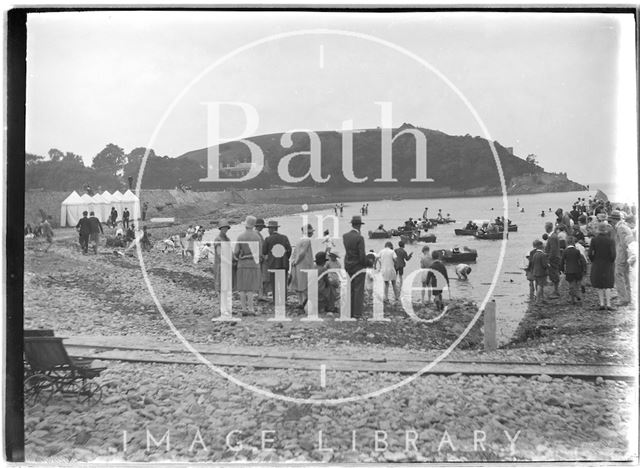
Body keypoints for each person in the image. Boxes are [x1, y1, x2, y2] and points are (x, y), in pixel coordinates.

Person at [234, 216, 262, 316]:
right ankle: (251, 308)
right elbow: (259, 254)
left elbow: (236, 252)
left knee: (242, 288)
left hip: (242, 265)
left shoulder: (240, 236)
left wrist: (242, 256)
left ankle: (243, 308)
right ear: (254, 225)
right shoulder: (257, 237)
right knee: (250, 288)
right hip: (253, 265)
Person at [343, 215, 367, 319]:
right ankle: (357, 313)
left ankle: (350, 311)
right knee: (358, 289)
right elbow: (362, 256)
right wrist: (368, 263)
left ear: (352, 224)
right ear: (359, 226)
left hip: (348, 265)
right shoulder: (360, 238)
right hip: (358, 266)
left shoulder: (345, 236)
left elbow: (349, 252)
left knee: (351, 288)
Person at [610, 210, 636, 307]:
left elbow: (623, 244)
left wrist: (623, 257)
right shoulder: (625, 226)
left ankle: (623, 298)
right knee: (625, 276)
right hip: (624, 255)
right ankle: (627, 297)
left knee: (619, 276)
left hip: (621, 256)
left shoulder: (620, 228)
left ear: (614, 220)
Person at [588, 222, 617, 310]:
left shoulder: (594, 240)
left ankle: (601, 304)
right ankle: (608, 304)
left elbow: (590, 253)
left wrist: (593, 260)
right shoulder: (611, 240)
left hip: (597, 263)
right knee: (608, 284)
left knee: (599, 284)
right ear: (606, 230)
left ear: (598, 230)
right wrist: (611, 261)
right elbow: (613, 254)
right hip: (608, 263)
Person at [263, 220, 292, 303]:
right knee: (283, 283)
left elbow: (264, 251)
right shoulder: (284, 237)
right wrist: (286, 258)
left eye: (269, 229)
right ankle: (284, 300)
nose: (268, 230)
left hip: (273, 264)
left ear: (272, 229)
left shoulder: (268, 239)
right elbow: (289, 250)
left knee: (274, 283)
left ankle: (276, 300)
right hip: (284, 263)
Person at [290, 223, 315, 311]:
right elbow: (302, 253)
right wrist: (297, 261)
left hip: (297, 264)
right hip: (304, 264)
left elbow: (295, 252)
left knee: (298, 284)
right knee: (305, 284)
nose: (312, 233)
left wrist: (293, 261)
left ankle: (301, 302)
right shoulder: (307, 240)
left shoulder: (299, 240)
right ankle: (305, 302)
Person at [213, 220, 232, 318]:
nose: (225, 229)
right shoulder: (218, 239)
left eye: (226, 228)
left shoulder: (227, 239)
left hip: (227, 266)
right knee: (221, 288)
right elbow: (219, 254)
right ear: (220, 228)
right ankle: (222, 309)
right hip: (220, 266)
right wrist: (229, 262)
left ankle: (226, 308)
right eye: (223, 228)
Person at [560, 236, 587, 304]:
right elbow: (581, 260)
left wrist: (562, 269)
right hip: (577, 270)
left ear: (567, 243)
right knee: (576, 284)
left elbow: (562, 261)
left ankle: (573, 300)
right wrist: (583, 269)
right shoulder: (577, 251)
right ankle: (578, 295)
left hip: (569, 270)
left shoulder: (565, 251)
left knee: (571, 285)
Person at [544, 222, 561, 298]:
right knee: (554, 273)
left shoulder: (552, 237)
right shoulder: (553, 236)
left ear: (547, 228)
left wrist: (549, 258)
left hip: (553, 258)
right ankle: (555, 290)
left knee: (553, 273)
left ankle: (556, 291)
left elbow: (553, 249)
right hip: (555, 257)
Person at [529, 239, 549, 304]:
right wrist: (548, 265)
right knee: (540, 286)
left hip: (535, 272)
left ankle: (540, 298)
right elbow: (544, 265)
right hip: (541, 273)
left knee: (538, 285)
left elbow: (532, 263)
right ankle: (537, 300)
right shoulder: (543, 255)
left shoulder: (535, 254)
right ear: (541, 246)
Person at [254, 218, 269, 301]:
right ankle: (261, 294)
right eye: (262, 226)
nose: (262, 228)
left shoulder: (255, 234)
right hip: (260, 259)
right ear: (259, 226)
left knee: (260, 277)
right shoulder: (257, 235)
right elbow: (259, 247)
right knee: (262, 277)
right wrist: (262, 257)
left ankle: (260, 294)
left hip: (257, 258)